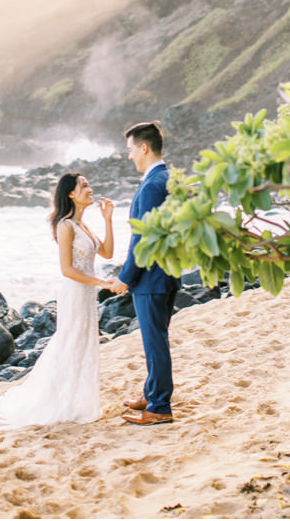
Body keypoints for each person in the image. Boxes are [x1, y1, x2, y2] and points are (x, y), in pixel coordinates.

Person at [0, 172, 123, 432]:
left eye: (89, 184)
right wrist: (104, 284)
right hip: (75, 292)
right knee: (70, 342)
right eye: (84, 186)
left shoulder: (83, 225)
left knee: (83, 343)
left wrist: (108, 220)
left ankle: (78, 401)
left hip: (86, 292)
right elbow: (67, 270)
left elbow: (108, 252)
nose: (90, 189)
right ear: (71, 193)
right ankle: (59, 401)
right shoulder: (65, 226)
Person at [117, 120, 180, 425]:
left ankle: (159, 407)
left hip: (152, 277)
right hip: (166, 272)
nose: (129, 156)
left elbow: (143, 238)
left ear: (144, 148)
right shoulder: (167, 178)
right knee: (156, 339)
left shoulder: (154, 184)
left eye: (131, 150)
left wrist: (124, 277)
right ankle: (151, 392)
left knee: (155, 342)